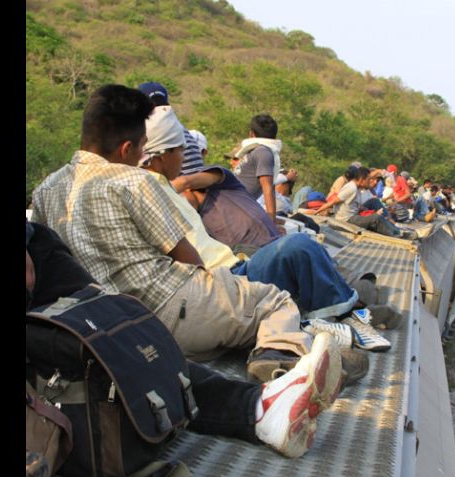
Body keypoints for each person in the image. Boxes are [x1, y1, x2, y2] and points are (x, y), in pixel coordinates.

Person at [29, 84, 356, 382]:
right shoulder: (135, 182)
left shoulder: (46, 190)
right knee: (274, 300)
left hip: (112, 324)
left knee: (231, 310)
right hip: (170, 307)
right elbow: (187, 259)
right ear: (128, 148)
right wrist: (220, 294)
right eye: (143, 146)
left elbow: (50, 258)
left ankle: (251, 340)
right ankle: (280, 358)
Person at [26, 220, 343, 459]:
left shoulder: (50, 203)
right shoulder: (137, 182)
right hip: (172, 298)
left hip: (62, 267)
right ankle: (270, 379)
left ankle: (262, 404)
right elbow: (191, 261)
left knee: (111, 336)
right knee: (115, 345)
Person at [310, 167, 417, 240]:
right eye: (368, 180)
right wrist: (317, 212)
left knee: (375, 207)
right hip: (347, 218)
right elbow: (333, 201)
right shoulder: (351, 188)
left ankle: (397, 229)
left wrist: (365, 210)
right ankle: (397, 235)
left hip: (354, 214)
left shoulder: (357, 187)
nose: (369, 182)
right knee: (375, 218)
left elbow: (355, 203)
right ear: (361, 180)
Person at [231, 114, 282, 222]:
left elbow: (268, 187)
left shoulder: (262, 152)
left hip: (237, 207)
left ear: (251, 134)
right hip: (234, 205)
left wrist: (271, 221)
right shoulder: (259, 151)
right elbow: (268, 187)